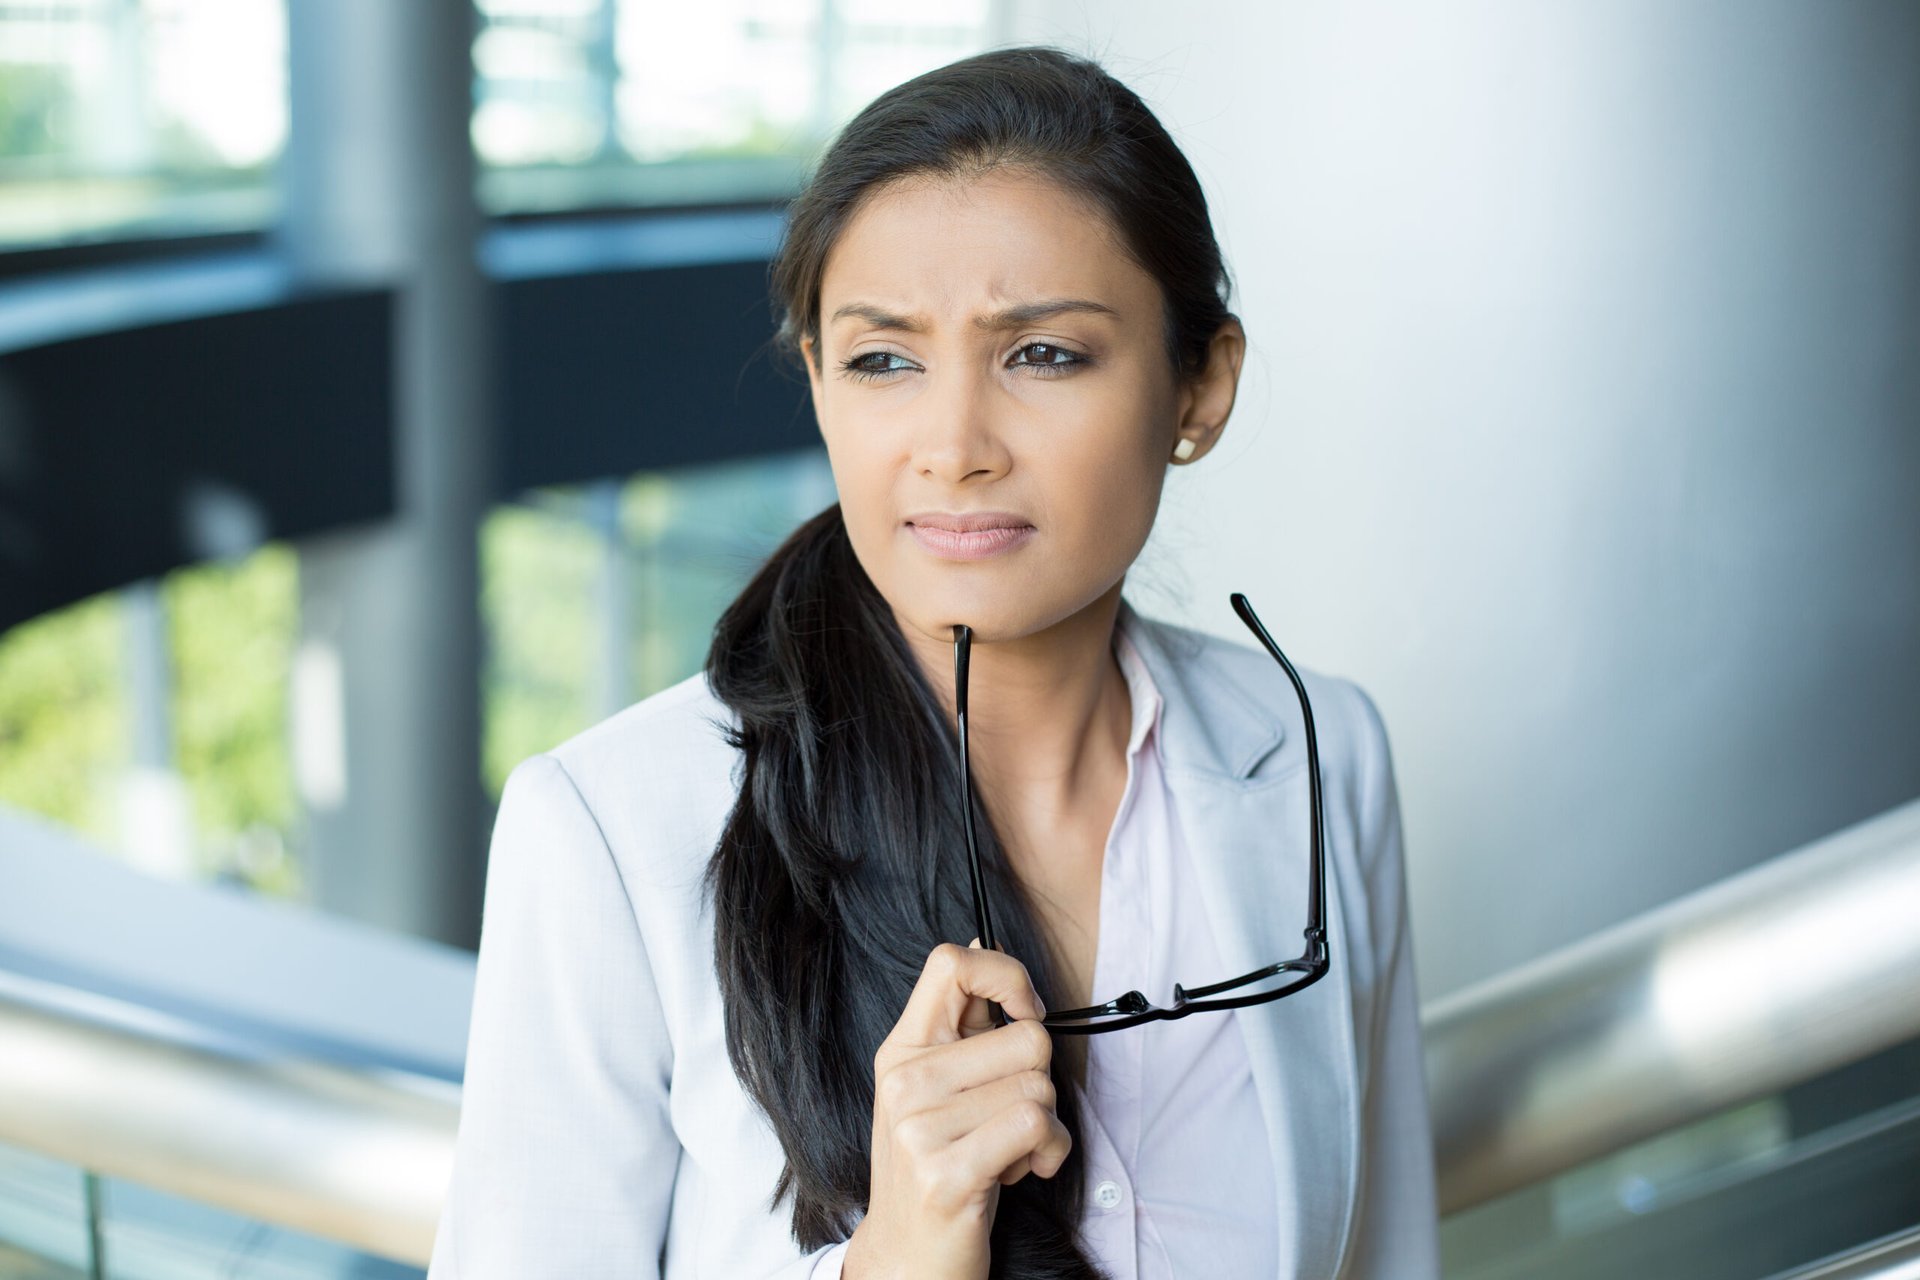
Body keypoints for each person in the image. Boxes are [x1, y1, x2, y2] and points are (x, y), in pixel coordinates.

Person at [426, 45, 1438, 1280]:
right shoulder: (612, 831)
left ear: (1200, 385)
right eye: (884, 360)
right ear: (817, 381)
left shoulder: (1322, 757)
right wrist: (895, 1256)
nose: (953, 446)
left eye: (1044, 354)